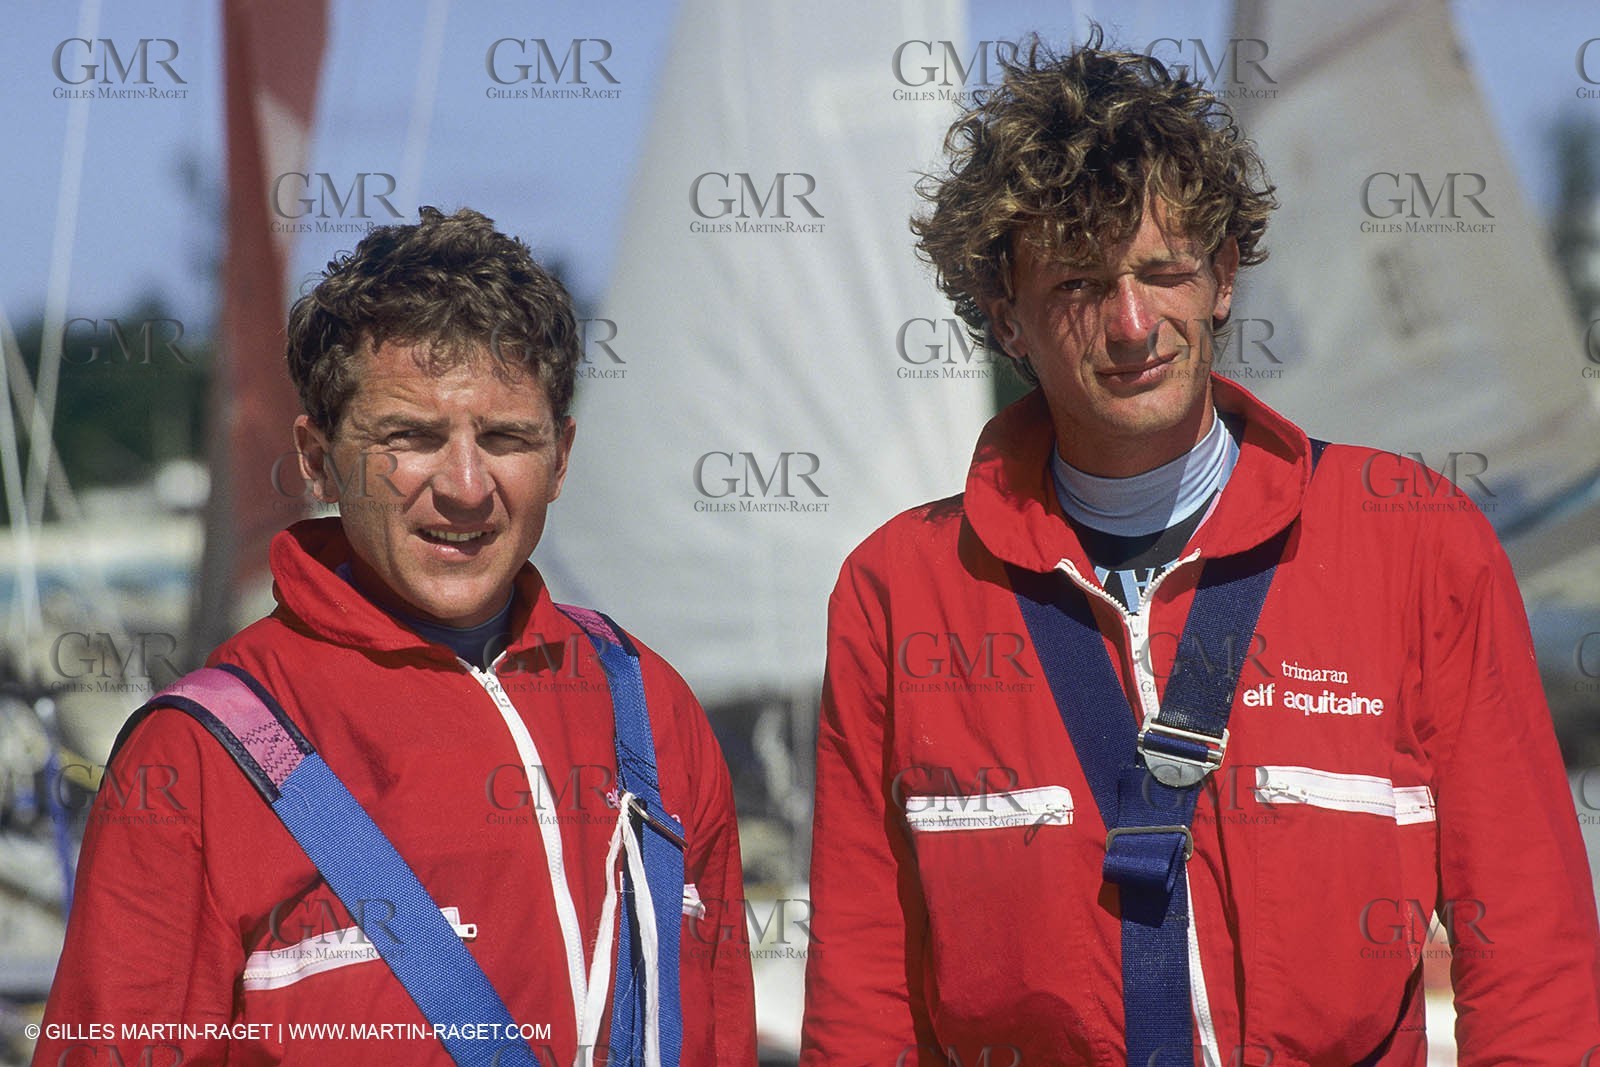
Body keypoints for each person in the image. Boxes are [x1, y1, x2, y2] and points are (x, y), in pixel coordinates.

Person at [800, 31, 1600, 1066]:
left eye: (1164, 270)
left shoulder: (1415, 538)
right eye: (1080, 286)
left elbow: (1530, 946)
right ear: (1005, 313)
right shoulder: (899, 591)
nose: (1134, 324)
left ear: (1222, 274)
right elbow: (861, 997)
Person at [35, 207, 756, 1066]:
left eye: (505, 438)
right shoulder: (197, 760)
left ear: (561, 457)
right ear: (317, 456)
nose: (463, 485)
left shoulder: (651, 708)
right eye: (409, 437)